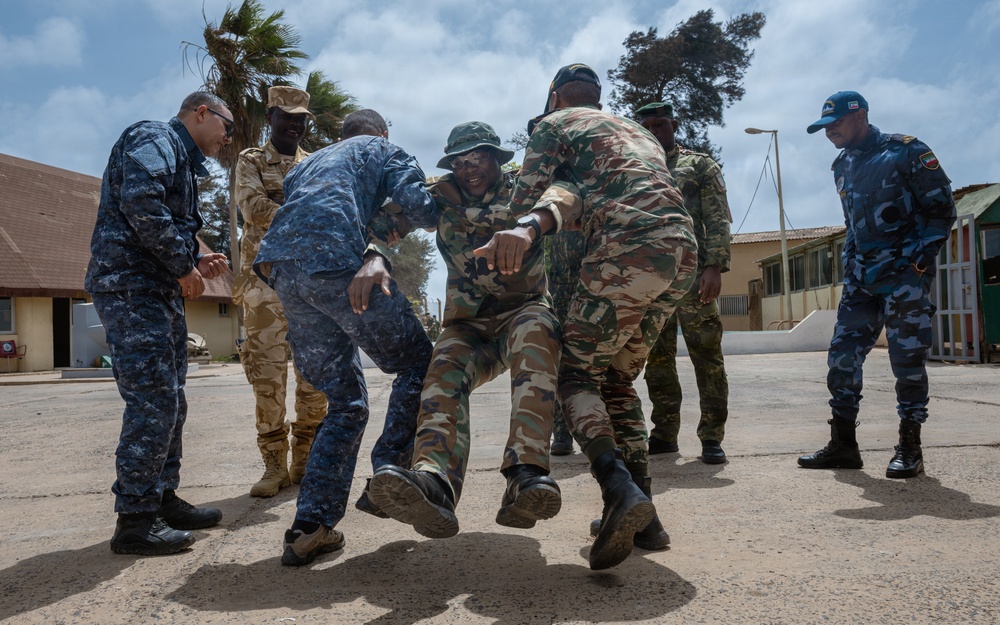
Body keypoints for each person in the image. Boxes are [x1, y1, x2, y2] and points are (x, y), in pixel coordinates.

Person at [474, 64, 698, 570]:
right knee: (614, 382)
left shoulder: (554, 125)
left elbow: (521, 200)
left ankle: (620, 493)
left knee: (573, 375)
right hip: (680, 253)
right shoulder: (634, 129)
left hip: (628, 250)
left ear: (554, 97)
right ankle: (646, 517)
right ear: (598, 98)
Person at [253, 109, 439, 566]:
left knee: (346, 402)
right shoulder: (382, 149)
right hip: (335, 261)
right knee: (419, 363)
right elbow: (422, 208)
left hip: (281, 273)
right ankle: (390, 474)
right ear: (382, 132)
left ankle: (309, 527)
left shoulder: (306, 165)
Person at [368, 121, 563, 539]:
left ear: (497, 158)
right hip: (469, 324)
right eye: (459, 162)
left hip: (522, 311)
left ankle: (525, 477)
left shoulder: (523, 187)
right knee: (442, 370)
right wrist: (375, 254)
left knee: (538, 335)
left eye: (478, 159)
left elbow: (567, 195)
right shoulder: (439, 196)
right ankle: (434, 483)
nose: (469, 169)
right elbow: (385, 225)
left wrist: (530, 224)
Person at [85, 91, 232, 555]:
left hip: (156, 289)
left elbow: (170, 220)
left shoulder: (182, 159)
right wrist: (183, 265)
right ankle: (134, 521)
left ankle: (161, 498)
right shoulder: (155, 137)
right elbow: (142, 203)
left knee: (171, 401)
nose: (227, 139)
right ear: (202, 113)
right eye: (226, 127)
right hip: (132, 288)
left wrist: (197, 257)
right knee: (152, 403)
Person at [798, 91, 957, 478]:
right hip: (861, 281)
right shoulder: (841, 166)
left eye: (835, 123)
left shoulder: (906, 152)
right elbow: (852, 226)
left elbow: (941, 211)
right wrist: (851, 267)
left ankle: (909, 446)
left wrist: (918, 263)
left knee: (907, 362)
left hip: (904, 279)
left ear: (860, 116)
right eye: (824, 126)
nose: (829, 131)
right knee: (842, 357)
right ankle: (843, 445)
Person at [233, 86, 327, 498]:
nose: (294, 122)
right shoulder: (250, 160)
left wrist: (283, 207)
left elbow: (332, 210)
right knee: (267, 380)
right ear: (269, 117)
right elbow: (252, 209)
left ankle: (305, 460)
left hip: (311, 289)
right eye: (285, 115)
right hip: (263, 291)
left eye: (300, 117)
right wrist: (305, 214)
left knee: (315, 379)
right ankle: (273, 466)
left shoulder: (320, 163)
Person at [635, 102, 732, 464]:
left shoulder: (699, 165)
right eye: (647, 126)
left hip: (693, 278)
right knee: (657, 362)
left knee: (707, 359)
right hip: (651, 281)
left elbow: (717, 217)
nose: (655, 131)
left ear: (674, 124)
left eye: (660, 123)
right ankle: (664, 434)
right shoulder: (637, 170)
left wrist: (714, 267)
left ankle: (711, 437)